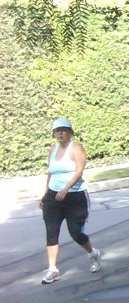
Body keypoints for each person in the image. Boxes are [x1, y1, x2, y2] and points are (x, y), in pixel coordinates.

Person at [39, 116, 102, 284]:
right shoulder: (52, 150)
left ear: (69, 132)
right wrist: (45, 195)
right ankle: (52, 269)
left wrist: (65, 188)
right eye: (57, 131)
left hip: (74, 195)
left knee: (76, 233)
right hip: (54, 196)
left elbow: (79, 171)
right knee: (51, 231)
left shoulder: (76, 148)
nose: (60, 133)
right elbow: (50, 173)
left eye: (63, 130)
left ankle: (93, 253)